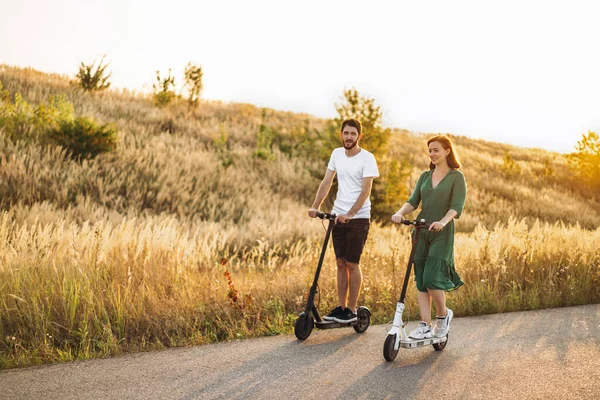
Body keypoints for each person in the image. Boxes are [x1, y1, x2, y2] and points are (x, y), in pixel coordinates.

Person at [391, 135, 466, 339]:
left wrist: (442, 222)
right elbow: (413, 201)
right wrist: (400, 213)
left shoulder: (456, 177)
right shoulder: (425, 176)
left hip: (441, 233)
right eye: (430, 151)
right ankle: (424, 324)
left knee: (433, 277)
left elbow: (456, 207)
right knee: (422, 279)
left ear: (447, 151)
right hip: (421, 231)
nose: (432, 154)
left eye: (436, 150)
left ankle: (443, 317)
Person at [307, 118, 379, 323]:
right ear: (341, 135)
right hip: (337, 216)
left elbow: (366, 191)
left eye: (353, 134)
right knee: (340, 263)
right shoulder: (336, 154)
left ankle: (353, 310)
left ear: (359, 136)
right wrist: (316, 206)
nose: (349, 137)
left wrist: (350, 214)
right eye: (346, 133)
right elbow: (327, 181)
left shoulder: (367, 158)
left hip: (358, 218)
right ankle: (341, 307)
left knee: (352, 263)